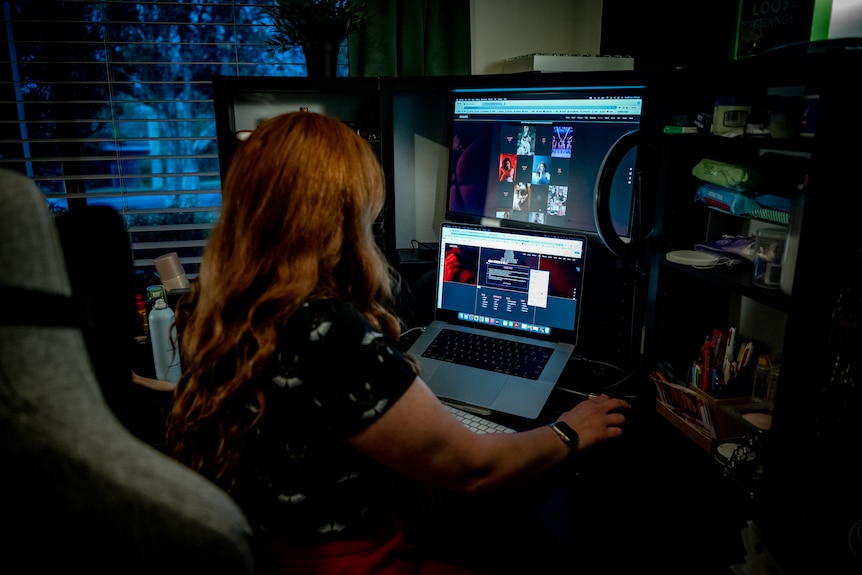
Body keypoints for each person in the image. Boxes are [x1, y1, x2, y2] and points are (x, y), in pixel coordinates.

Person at [166, 111, 631, 574]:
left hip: (272, 551)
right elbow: (475, 468)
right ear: (341, 216)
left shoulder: (218, 309)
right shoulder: (329, 332)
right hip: (355, 561)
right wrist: (567, 432)